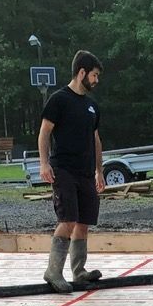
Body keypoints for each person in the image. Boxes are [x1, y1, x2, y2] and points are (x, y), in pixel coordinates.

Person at [38, 50, 106, 291]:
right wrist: (44, 163)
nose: (97, 80)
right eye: (95, 75)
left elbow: (96, 140)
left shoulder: (91, 107)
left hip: (85, 172)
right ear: (82, 73)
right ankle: (53, 271)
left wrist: (99, 171)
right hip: (63, 169)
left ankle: (79, 272)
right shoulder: (59, 100)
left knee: (84, 221)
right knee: (68, 219)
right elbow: (45, 132)